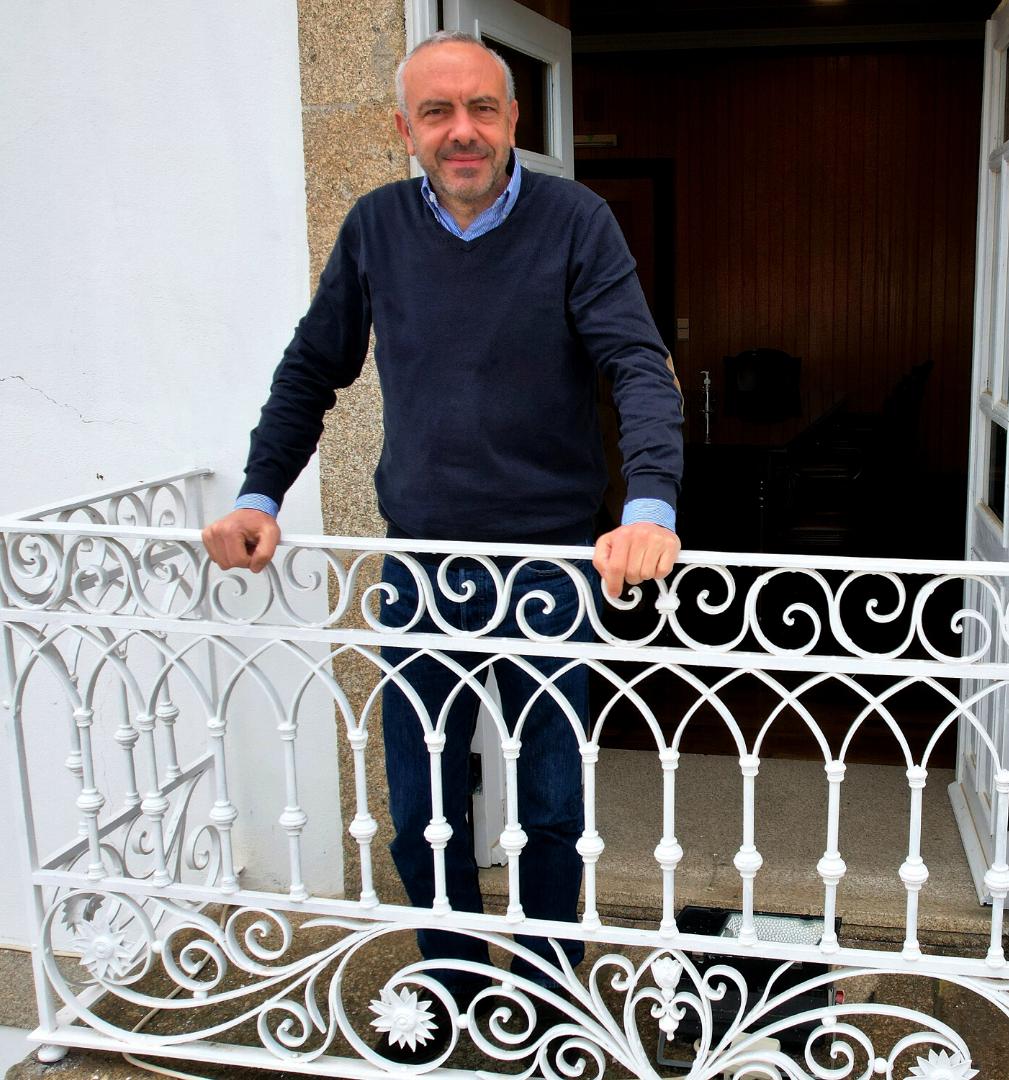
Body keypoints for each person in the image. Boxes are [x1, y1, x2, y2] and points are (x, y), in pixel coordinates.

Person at [199, 29, 684, 1016]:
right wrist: (259, 495)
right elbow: (311, 369)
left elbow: (637, 363)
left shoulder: (575, 220)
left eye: (482, 109)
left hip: (549, 564)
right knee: (422, 805)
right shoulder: (375, 228)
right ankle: (451, 987)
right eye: (437, 112)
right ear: (404, 128)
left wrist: (648, 508)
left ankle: (547, 1000)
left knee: (552, 803)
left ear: (513, 119)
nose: (462, 131)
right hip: (420, 566)